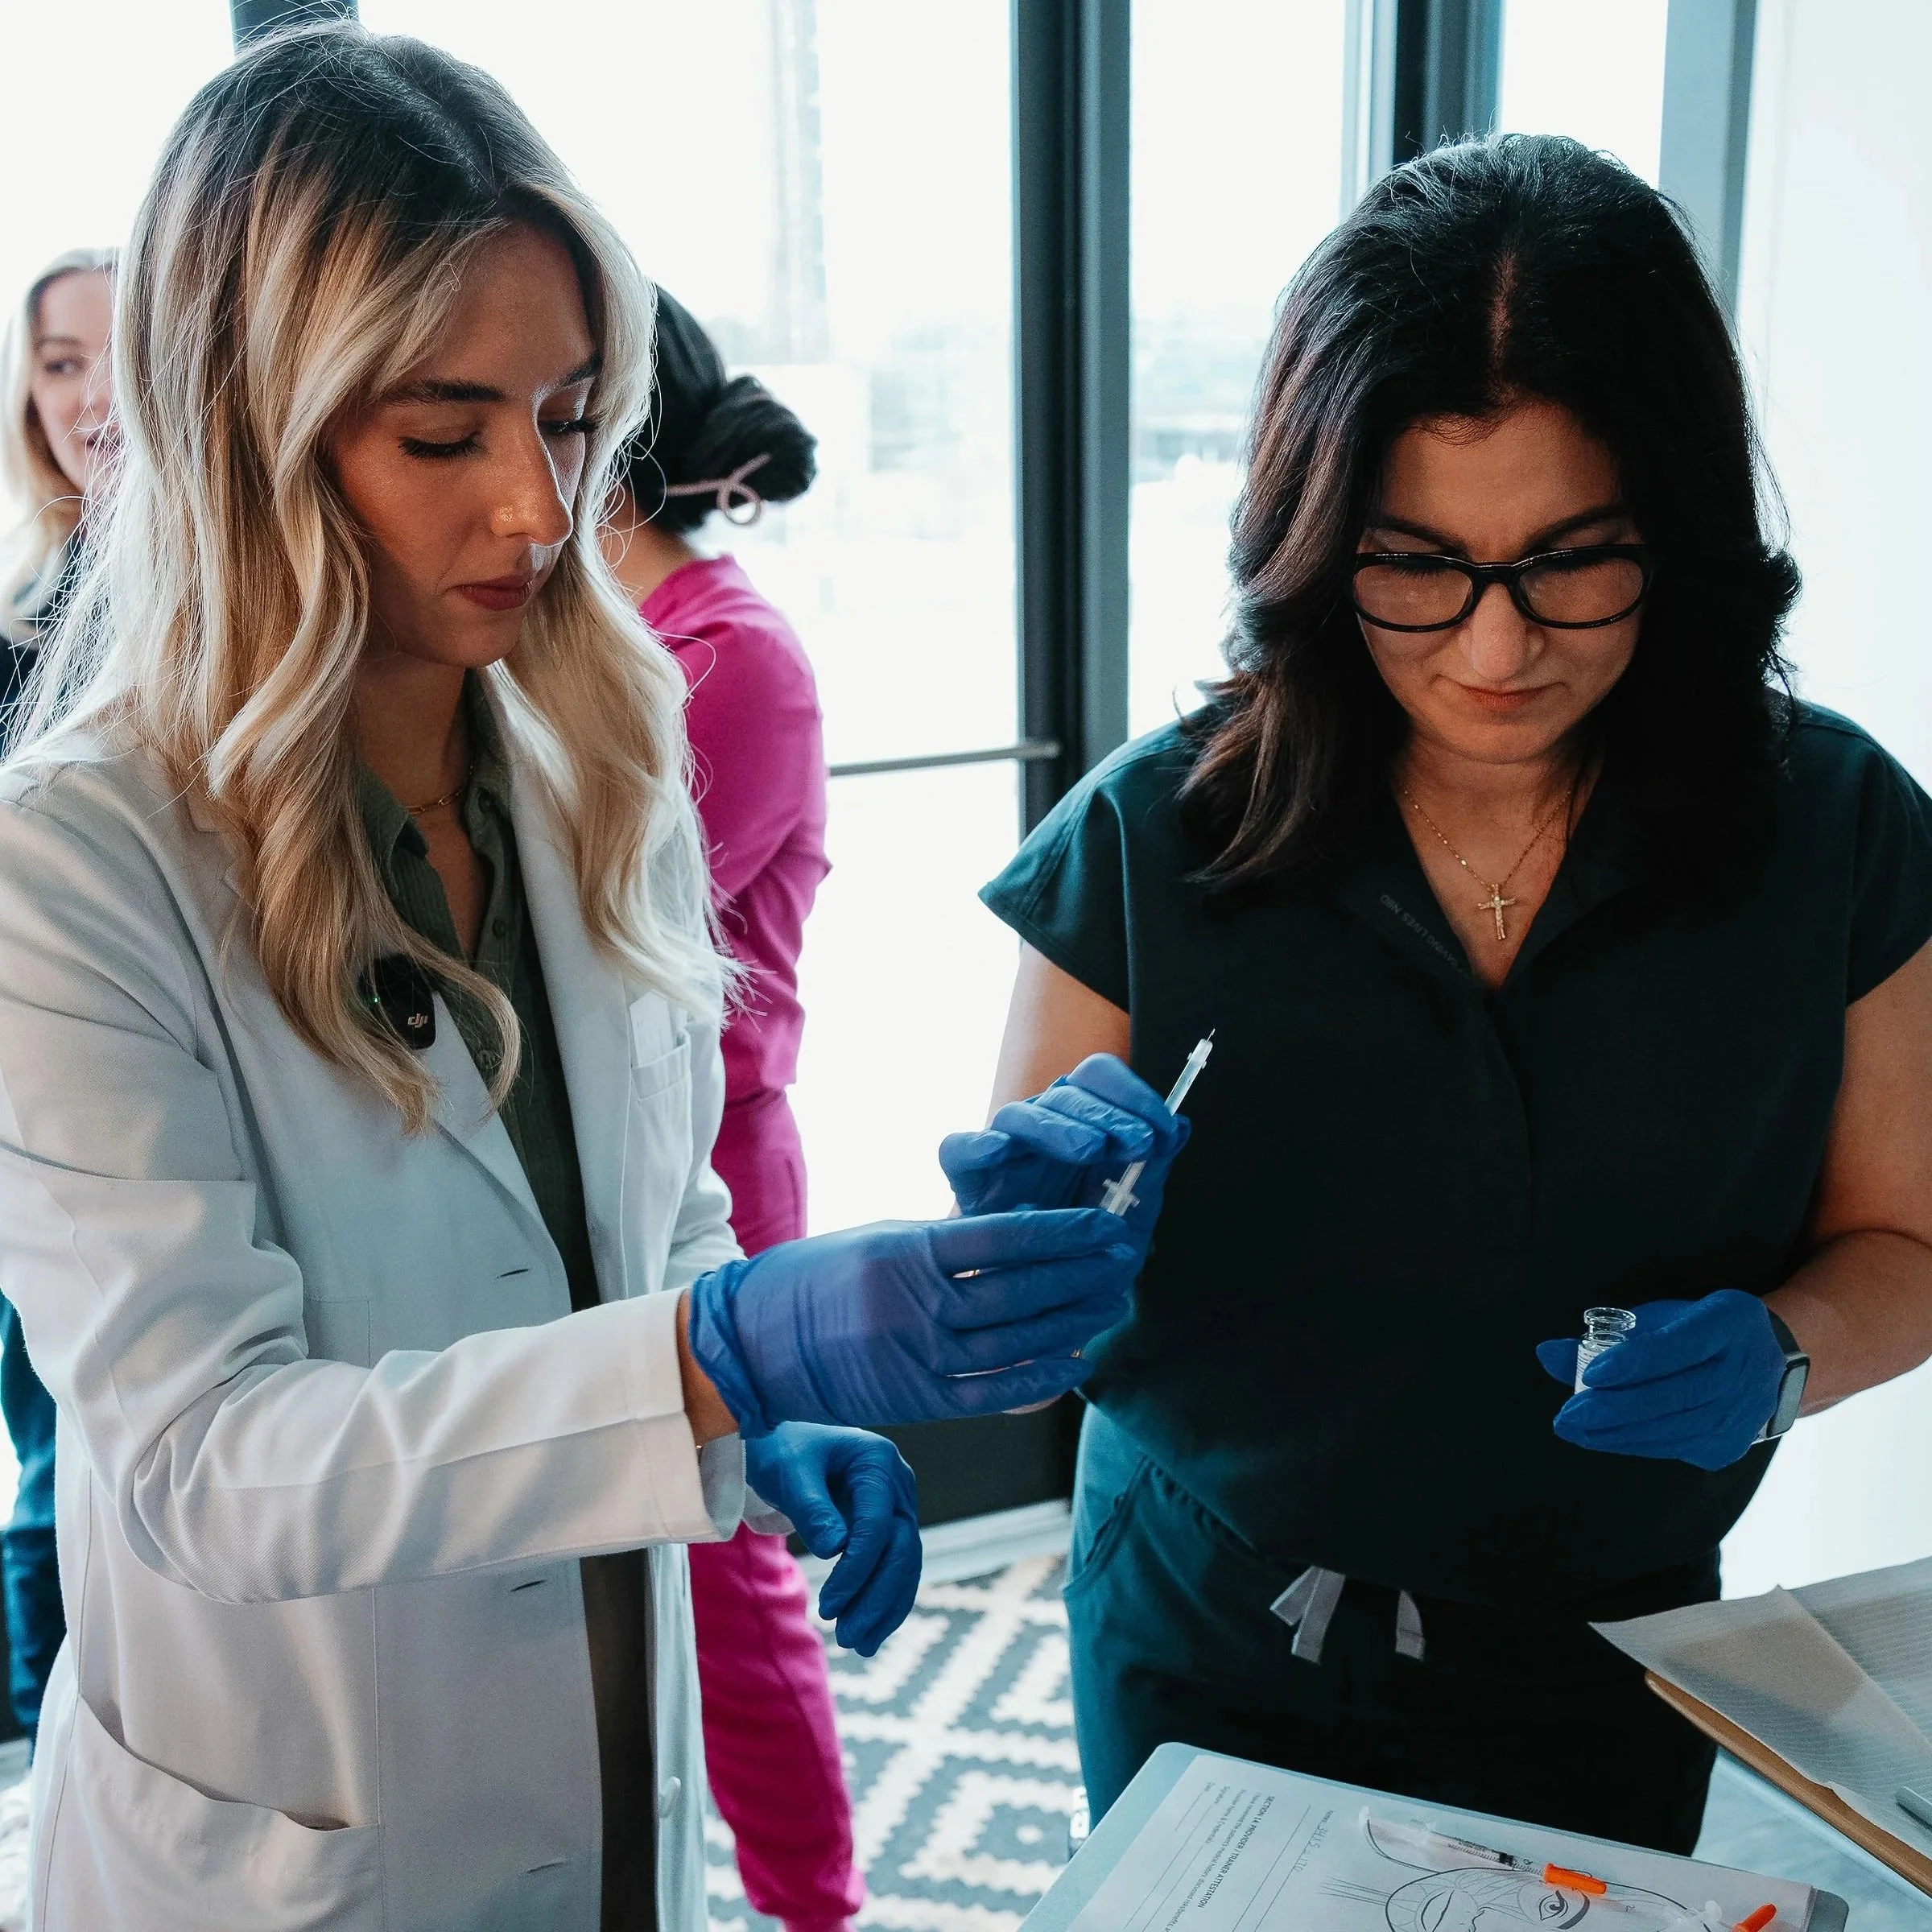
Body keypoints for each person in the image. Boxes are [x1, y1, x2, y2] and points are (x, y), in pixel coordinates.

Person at [0, 25, 1184, 1931]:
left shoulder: (588, 763)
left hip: (613, 1793)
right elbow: (204, 1471)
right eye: (444, 435)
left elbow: (643, 1225)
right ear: (248, 430)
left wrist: (751, 1400)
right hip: (290, 1844)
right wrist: (719, 1362)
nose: (542, 514)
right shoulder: (73, 864)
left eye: (566, 416)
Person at [971, 134, 1932, 1855]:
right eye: (1415, 565)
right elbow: (1016, 1288)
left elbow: (1910, 1245)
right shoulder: (1146, 837)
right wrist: (1021, 1262)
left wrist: (1790, 1351)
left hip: (1608, 1646)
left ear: (1684, 534)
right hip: (1211, 1627)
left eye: (1574, 561)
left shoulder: (1839, 834)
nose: (1496, 652)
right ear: (1317, 537)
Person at [601, 294, 854, 1932]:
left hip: (711, 1165)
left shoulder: (726, 656)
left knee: (728, 1566)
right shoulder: (618, 646)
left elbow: (596, 919)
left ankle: (815, 1909)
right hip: (622, 1158)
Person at [0, 247, 115, 1752]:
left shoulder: (209, 610)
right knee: (45, 1445)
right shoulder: (30, 618)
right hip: (28, 1089)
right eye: (58, 364)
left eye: (115, 354)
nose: (91, 398)